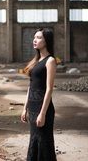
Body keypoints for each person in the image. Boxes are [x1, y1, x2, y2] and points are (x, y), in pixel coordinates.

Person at [21, 28, 57, 161]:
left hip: (43, 108)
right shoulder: (36, 60)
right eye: (34, 37)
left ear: (46, 41)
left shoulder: (50, 61)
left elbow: (49, 89)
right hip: (33, 107)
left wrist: (43, 113)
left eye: (39, 37)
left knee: (44, 144)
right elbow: (31, 86)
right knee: (34, 141)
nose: (35, 40)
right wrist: (25, 108)